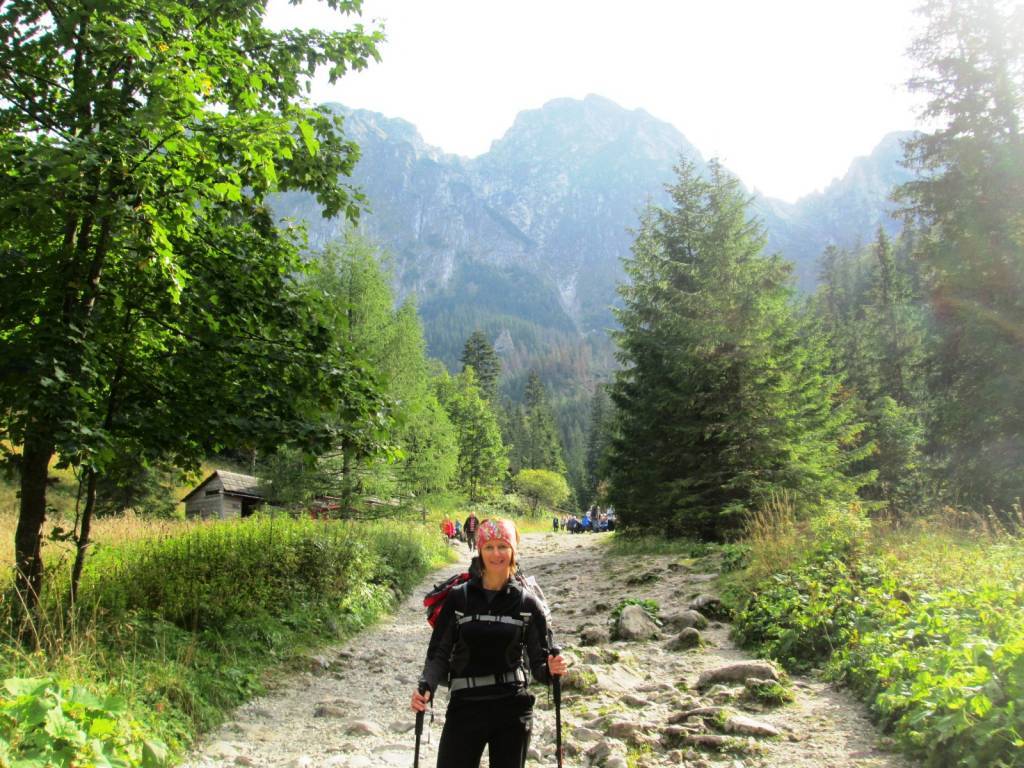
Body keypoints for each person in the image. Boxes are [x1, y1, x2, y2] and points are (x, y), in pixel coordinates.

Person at [411, 518, 567, 768]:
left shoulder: (528, 603)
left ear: (513, 550)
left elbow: (540, 667)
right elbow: (439, 653)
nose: (496, 554)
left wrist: (551, 669)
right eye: (489, 547)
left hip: (512, 707)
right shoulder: (459, 598)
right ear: (480, 550)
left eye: (503, 546)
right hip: (465, 706)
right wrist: (426, 686)